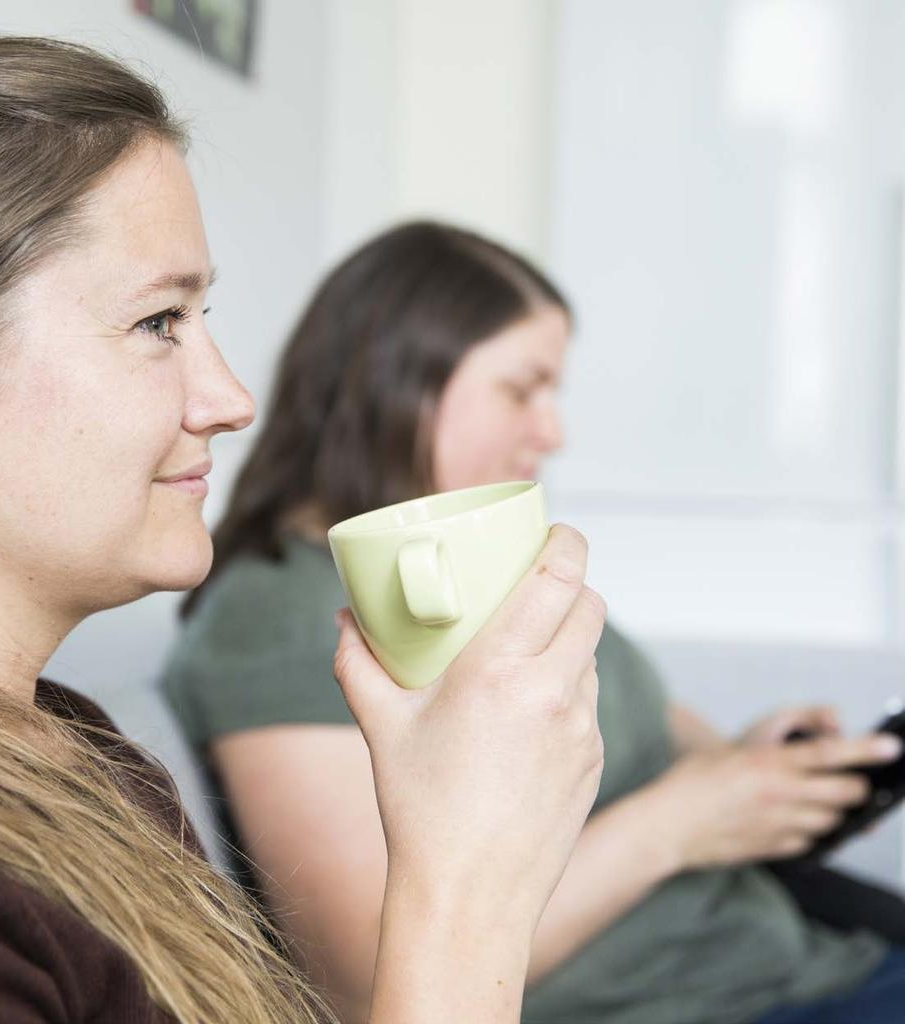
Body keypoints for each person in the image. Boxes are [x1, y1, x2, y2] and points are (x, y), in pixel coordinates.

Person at [0, 34, 607, 1024]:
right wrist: (466, 885)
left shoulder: (84, 751)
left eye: (200, 315)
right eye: (157, 323)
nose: (230, 400)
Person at [164, 220, 905, 1024]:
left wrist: (745, 768)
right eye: (523, 389)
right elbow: (371, 968)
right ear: (395, 381)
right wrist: (683, 822)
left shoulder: (475, 563)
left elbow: (632, 720)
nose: (552, 433)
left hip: (805, 962)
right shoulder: (279, 612)